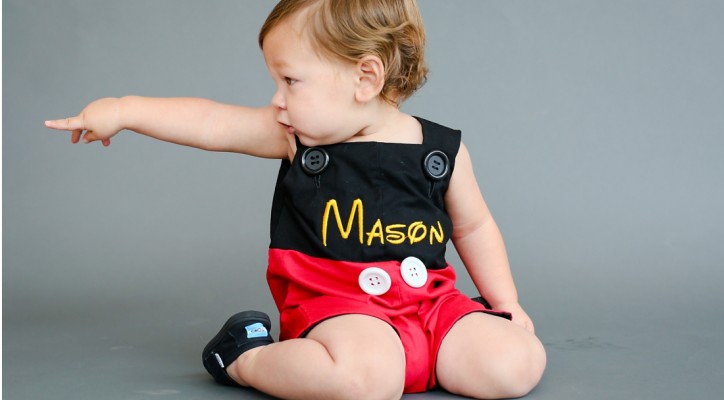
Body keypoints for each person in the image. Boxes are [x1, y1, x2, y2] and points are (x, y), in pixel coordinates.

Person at [45, 0, 546, 398]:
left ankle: (437, 352)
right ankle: (246, 358)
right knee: (366, 381)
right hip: (342, 310)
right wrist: (125, 110)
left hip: (430, 308)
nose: (276, 99)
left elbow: (474, 227)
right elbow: (211, 122)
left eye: (290, 80)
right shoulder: (298, 139)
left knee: (517, 363)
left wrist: (505, 303)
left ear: (365, 77)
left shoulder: (440, 151)